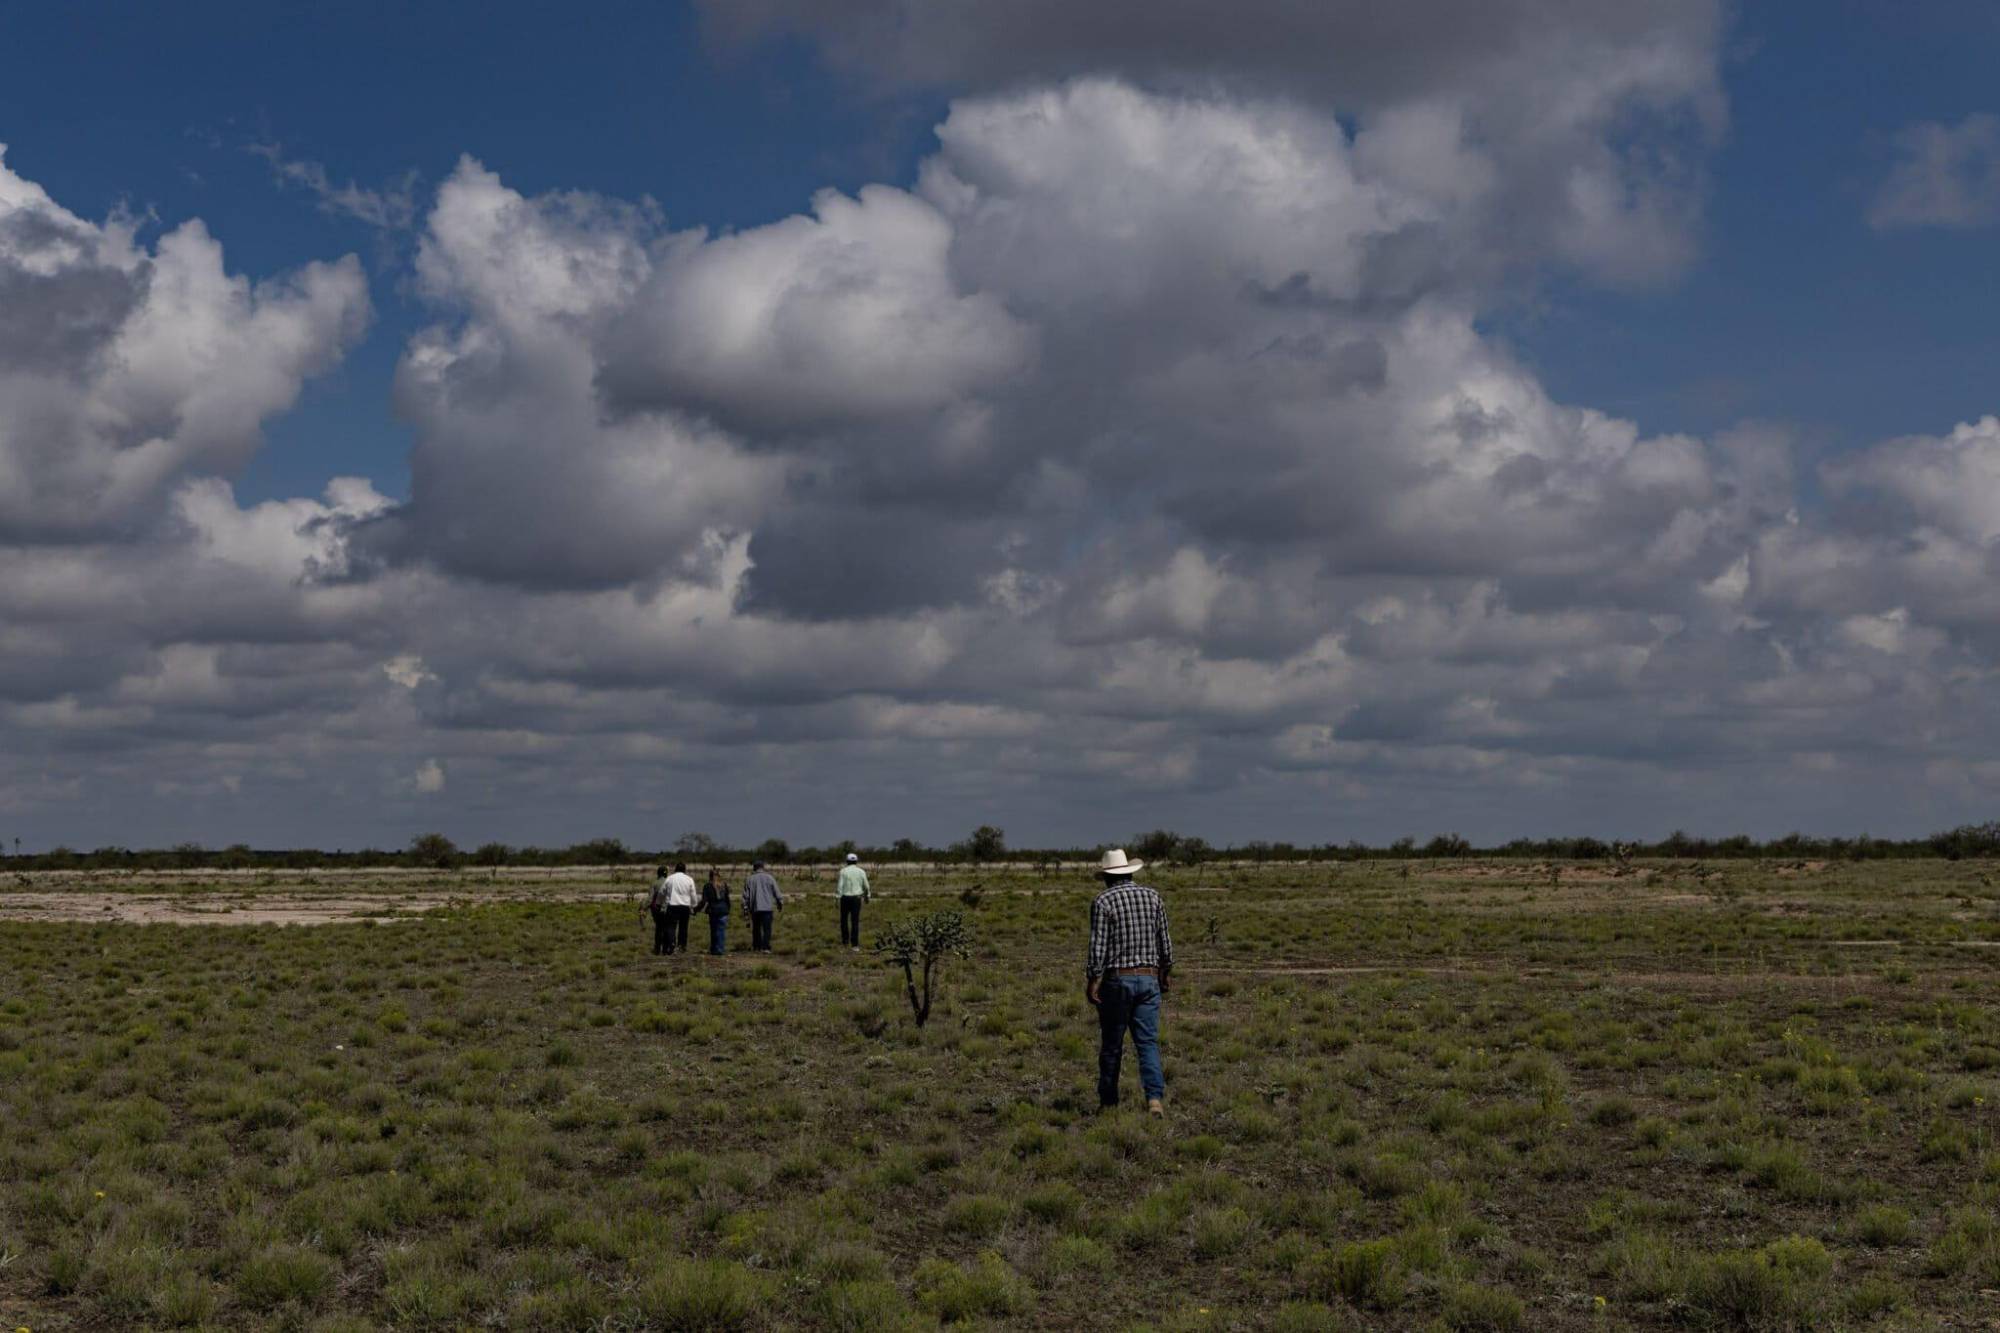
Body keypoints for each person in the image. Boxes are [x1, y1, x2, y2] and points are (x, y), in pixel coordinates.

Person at [1085, 847, 1173, 1116]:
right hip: (1148, 978)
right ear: (1129, 872)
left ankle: (1109, 1102)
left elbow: (1098, 947)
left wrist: (1093, 979)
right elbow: (1165, 942)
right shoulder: (1153, 897)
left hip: (1117, 980)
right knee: (1147, 1043)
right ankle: (1154, 1099)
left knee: (1112, 1045)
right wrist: (1164, 973)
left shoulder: (1103, 901)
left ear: (1107, 876)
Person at [742, 859, 784, 951]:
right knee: (767, 929)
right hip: (767, 908)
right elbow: (776, 892)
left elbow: (745, 896)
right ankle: (765, 947)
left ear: (754, 868)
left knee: (756, 929)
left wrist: (745, 908)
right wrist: (780, 903)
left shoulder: (749, 879)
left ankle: (757, 946)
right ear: (763, 867)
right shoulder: (770, 878)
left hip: (755, 908)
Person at [836, 852, 871, 951]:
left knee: (844, 921)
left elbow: (840, 886)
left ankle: (845, 942)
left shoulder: (843, 871)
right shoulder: (861, 871)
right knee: (855, 921)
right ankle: (855, 945)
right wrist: (867, 897)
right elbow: (866, 886)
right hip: (856, 899)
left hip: (845, 898)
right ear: (856, 861)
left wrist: (837, 898)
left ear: (847, 861)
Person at [661, 861, 698, 955]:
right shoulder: (689, 879)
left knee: (671, 927)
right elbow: (693, 894)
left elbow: (662, 891)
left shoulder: (670, 878)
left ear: (675, 869)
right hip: (685, 907)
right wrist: (694, 905)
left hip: (672, 905)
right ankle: (682, 946)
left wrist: (661, 902)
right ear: (685, 870)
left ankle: (672, 944)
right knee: (683, 927)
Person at [699, 866, 731, 956]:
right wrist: (728, 909)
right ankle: (719, 948)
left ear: (710, 876)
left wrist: (696, 909)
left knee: (714, 930)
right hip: (723, 910)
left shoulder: (707, 886)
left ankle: (715, 949)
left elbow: (704, 901)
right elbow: (727, 899)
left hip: (713, 910)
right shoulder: (724, 885)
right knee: (721, 931)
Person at [645, 865, 674, 956]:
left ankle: (657, 949)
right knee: (667, 928)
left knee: (659, 929)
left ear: (658, 873)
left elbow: (650, 898)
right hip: (669, 908)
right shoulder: (671, 883)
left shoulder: (654, 883)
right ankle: (666, 949)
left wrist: (644, 908)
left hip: (658, 909)